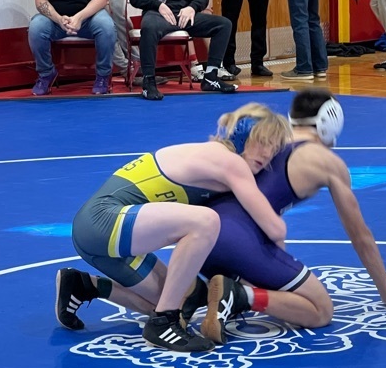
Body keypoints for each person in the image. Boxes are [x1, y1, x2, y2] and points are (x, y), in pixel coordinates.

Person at [196, 88, 386, 344]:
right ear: (331, 122)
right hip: (239, 242)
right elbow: (360, 235)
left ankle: (197, 293)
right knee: (320, 311)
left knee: (274, 287)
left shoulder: (267, 140)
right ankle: (239, 295)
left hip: (202, 238)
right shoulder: (326, 162)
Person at [54, 103, 290, 353]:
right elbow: (274, 229)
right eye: (262, 142)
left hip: (99, 233)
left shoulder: (213, 159)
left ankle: (83, 285)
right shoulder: (230, 162)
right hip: (103, 221)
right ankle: (164, 323)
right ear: (243, 134)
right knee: (205, 222)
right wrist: (284, 284)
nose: (267, 154)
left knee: (177, 299)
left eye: (274, 148)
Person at [128, 0, 237, 99]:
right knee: (149, 27)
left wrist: (192, 7)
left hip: (183, 14)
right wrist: (158, 5)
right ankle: (149, 82)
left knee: (224, 24)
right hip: (157, 13)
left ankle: (210, 77)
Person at [28, 0, 116, 96]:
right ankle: (46, 73)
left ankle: (103, 75)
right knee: (36, 27)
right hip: (57, 21)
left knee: (106, 26)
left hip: (89, 18)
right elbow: (40, 1)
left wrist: (79, 18)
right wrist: (58, 19)